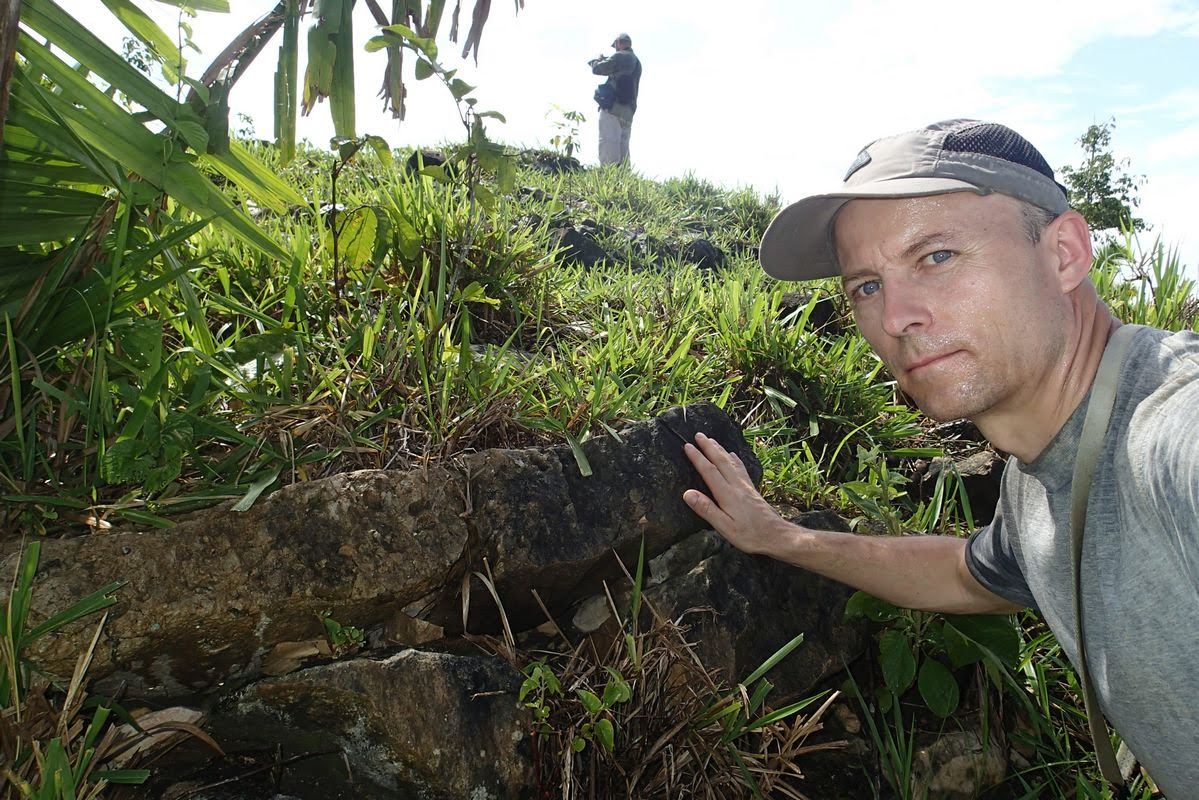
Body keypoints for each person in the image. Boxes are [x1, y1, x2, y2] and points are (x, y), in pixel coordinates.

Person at [681, 119, 1198, 796]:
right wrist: (782, 538)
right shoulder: (1035, 482)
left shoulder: (1169, 431)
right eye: (865, 286)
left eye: (937, 257)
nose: (895, 316)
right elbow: (966, 575)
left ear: (1065, 252)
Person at [588, 33, 641, 166]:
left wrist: (597, 61)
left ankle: (608, 181)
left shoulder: (621, 56)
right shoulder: (636, 62)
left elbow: (598, 69)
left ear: (619, 43)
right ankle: (623, 183)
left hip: (613, 109)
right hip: (628, 113)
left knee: (608, 146)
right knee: (623, 152)